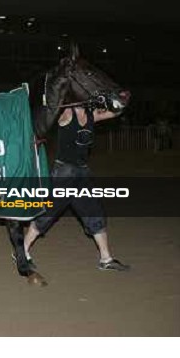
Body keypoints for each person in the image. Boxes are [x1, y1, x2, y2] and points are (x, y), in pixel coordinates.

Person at [23, 104, 130, 271]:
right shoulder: (66, 113)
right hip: (64, 172)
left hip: (82, 172)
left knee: (94, 211)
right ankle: (22, 251)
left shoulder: (91, 114)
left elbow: (115, 112)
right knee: (48, 211)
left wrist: (118, 101)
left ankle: (106, 259)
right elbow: (46, 113)